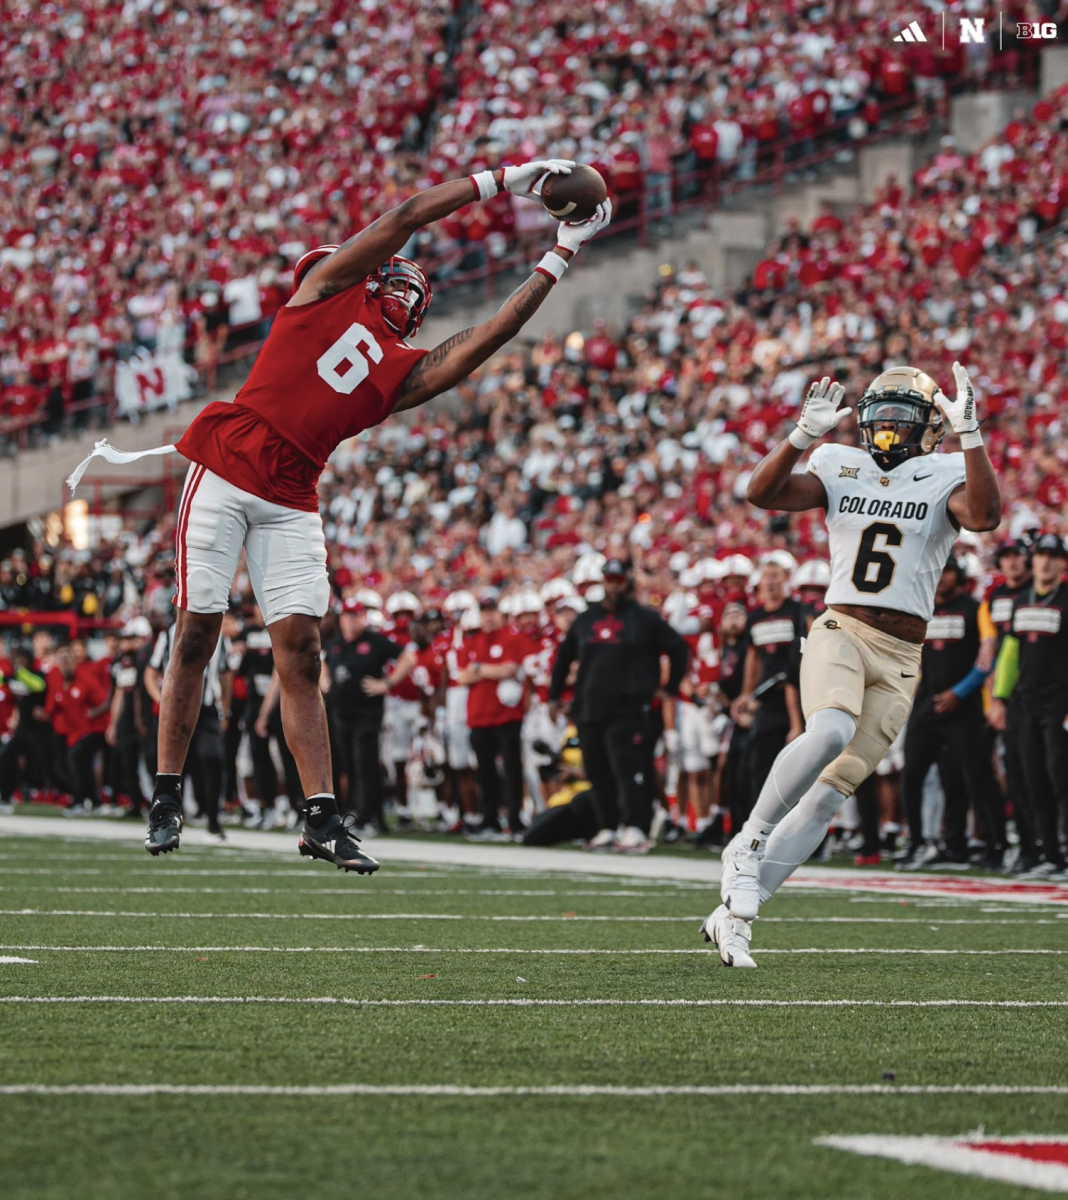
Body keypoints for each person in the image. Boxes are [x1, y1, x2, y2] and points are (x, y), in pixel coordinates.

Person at [73, 158, 610, 868]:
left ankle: (320, 816)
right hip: (228, 466)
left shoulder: (400, 368)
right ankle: (167, 793)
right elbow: (405, 218)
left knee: (303, 651)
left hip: (294, 496)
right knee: (198, 629)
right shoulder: (323, 290)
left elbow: (486, 339)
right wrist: (507, 178)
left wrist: (562, 252)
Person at [703, 364, 1000, 967]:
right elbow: (761, 494)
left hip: (903, 654)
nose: (888, 431)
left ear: (931, 428)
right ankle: (748, 841)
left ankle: (733, 918)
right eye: (881, 420)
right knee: (830, 730)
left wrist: (972, 435)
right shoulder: (839, 463)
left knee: (831, 794)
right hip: (843, 627)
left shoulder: (947, 470)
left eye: (901, 421)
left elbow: (986, 516)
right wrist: (799, 437)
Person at [548, 557, 689, 853]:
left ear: (628, 582)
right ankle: (607, 827)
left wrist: (670, 688)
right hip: (589, 707)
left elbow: (678, 648)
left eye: (618, 580)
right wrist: (555, 695)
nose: (613, 586)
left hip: (630, 709)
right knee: (597, 771)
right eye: (608, 580)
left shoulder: (645, 618)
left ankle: (636, 826)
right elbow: (564, 657)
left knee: (630, 769)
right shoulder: (586, 618)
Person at [897, 555, 1003, 870]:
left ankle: (995, 845)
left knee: (975, 776)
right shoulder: (919, 609)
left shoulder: (976, 607)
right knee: (912, 774)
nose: (941, 577)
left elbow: (988, 655)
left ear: (958, 576)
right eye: (936, 571)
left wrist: (960, 691)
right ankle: (917, 842)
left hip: (965, 707)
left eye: (947, 572)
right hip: (927, 705)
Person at [989, 533, 1068, 880]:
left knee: (1061, 778)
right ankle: (1048, 854)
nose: (1046, 562)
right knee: (1033, 779)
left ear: (1064, 563)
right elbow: (1010, 653)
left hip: (1060, 703)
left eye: (1053, 556)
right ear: (1033, 560)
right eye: (1041, 555)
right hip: (1025, 703)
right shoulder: (1021, 600)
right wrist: (999, 699)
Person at [320, 598, 414, 832]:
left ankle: (368, 816)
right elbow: (323, 660)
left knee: (366, 764)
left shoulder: (375, 641)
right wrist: (325, 681)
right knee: (349, 766)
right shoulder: (336, 643)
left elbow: (408, 657)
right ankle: (360, 814)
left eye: (355, 616)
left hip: (367, 713)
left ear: (363, 617)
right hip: (341, 714)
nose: (350, 621)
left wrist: (387, 683)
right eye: (347, 616)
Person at [983, 538, 1038, 873]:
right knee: (1014, 773)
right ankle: (1027, 846)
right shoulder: (997, 596)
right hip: (1007, 692)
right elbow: (991, 651)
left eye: (1018, 556)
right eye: (1006, 558)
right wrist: (994, 698)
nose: (1013, 563)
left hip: (1040, 689)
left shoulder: (1042, 592)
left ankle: (1049, 843)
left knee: (1044, 773)